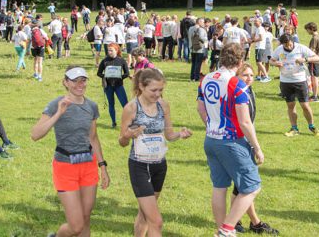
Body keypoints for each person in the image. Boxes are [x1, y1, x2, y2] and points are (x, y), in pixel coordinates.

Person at [31, 66, 110, 237]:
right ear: (65, 82)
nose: (80, 84)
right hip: (65, 166)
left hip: (88, 166)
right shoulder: (56, 104)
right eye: (74, 80)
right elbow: (35, 135)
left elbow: (93, 138)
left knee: (86, 218)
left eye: (83, 80)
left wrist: (102, 166)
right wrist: (59, 113)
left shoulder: (91, 106)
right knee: (76, 226)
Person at [197, 43, 264, 237]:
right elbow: (244, 121)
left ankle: (222, 229)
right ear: (240, 61)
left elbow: (200, 109)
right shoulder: (236, 84)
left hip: (211, 139)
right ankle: (226, 229)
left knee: (219, 186)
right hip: (232, 141)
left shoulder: (206, 78)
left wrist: (212, 126)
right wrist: (257, 147)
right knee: (252, 186)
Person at [119, 68, 193, 237]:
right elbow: (122, 141)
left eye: (161, 90)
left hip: (159, 165)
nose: (158, 94)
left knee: (145, 214)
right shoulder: (131, 108)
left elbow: (169, 134)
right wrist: (128, 135)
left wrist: (180, 135)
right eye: (153, 90)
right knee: (156, 221)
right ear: (141, 87)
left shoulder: (163, 105)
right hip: (139, 166)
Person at [231, 64, 279, 234]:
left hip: (245, 141)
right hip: (239, 141)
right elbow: (243, 121)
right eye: (245, 75)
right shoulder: (238, 92)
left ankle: (241, 221)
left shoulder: (248, 91)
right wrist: (256, 147)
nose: (249, 78)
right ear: (237, 75)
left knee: (242, 186)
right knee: (247, 185)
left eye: (251, 75)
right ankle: (250, 222)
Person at [270, 34, 319, 137]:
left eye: (289, 44)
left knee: (305, 106)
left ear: (292, 41)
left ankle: (312, 126)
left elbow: (317, 58)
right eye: (286, 45)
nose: (288, 47)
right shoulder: (279, 49)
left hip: (300, 80)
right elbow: (271, 60)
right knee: (290, 105)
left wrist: (305, 60)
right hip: (285, 81)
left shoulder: (300, 47)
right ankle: (294, 128)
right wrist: (275, 64)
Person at [97, 44, 130, 128]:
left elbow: (127, 73)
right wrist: (105, 76)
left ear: (116, 50)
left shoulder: (121, 60)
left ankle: (129, 122)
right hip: (108, 86)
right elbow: (99, 73)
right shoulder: (105, 61)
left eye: (111, 50)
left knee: (125, 105)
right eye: (108, 50)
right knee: (111, 104)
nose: (109, 52)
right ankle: (113, 122)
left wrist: (120, 77)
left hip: (119, 85)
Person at [305, 22, 319, 101]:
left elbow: (312, 51)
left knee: (314, 78)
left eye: (307, 30)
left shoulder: (314, 38)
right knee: (316, 78)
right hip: (318, 61)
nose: (307, 31)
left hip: (314, 61)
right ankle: (315, 94)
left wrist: (306, 58)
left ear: (311, 29)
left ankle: (315, 96)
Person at [189, 18, 208, 82]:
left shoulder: (190, 28)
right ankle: (196, 77)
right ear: (199, 22)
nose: (203, 23)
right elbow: (202, 38)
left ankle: (192, 77)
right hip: (199, 48)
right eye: (202, 22)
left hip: (192, 48)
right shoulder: (201, 29)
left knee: (193, 63)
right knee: (198, 64)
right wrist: (206, 38)